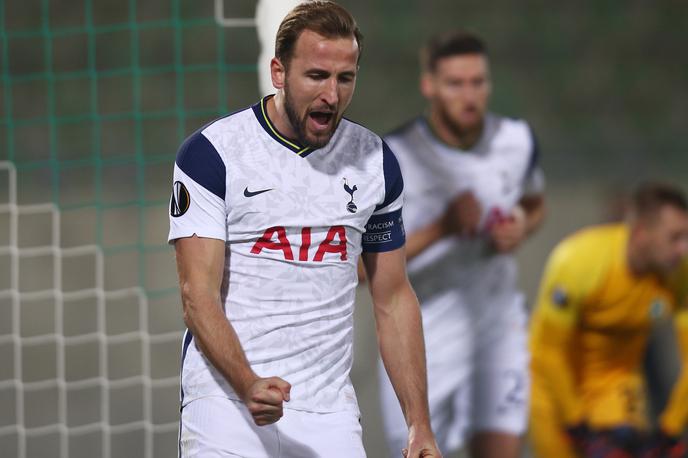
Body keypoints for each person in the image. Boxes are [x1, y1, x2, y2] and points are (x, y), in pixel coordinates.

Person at [168, 2, 441, 457]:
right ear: (278, 72)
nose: (331, 95)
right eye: (316, 76)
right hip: (225, 404)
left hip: (328, 414)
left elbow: (392, 297)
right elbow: (198, 295)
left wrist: (419, 425)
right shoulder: (212, 155)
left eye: (345, 78)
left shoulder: (375, 162)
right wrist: (248, 382)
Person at [376, 31, 545, 458]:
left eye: (478, 82)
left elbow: (534, 201)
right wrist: (442, 228)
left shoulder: (516, 141)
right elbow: (361, 270)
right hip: (423, 336)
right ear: (428, 85)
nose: (469, 96)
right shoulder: (393, 158)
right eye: (455, 83)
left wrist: (521, 225)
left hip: (496, 326)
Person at [528, 183, 688, 458]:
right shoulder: (579, 261)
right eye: (675, 237)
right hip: (554, 387)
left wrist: (669, 429)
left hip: (616, 384)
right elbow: (550, 353)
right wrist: (577, 425)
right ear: (641, 233)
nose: (683, 249)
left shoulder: (678, 275)